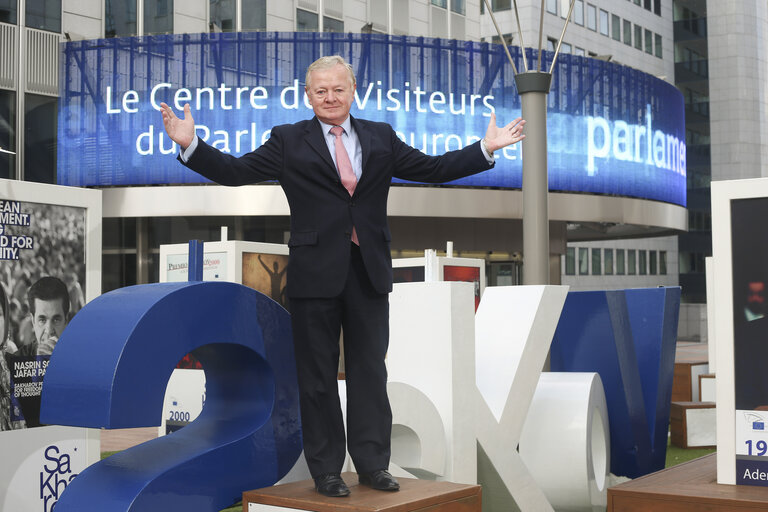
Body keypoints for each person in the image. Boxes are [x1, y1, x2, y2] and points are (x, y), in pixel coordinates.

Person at [160, 55, 525, 497]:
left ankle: (373, 465)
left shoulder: (380, 136)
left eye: (338, 89)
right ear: (308, 95)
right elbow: (237, 173)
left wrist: (485, 149)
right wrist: (190, 145)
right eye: (321, 91)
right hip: (314, 273)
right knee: (316, 378)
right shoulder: (287, 140)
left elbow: (431, 169)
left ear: (354, 91)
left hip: (368, 269)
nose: (330, 97)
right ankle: (327, 470)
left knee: (370, 371)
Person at [23, 276, 70, 357]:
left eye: (56, 320)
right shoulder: (17, 361)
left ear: (66, 320)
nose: (49, 331)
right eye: (42, 320)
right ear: (33, 321)